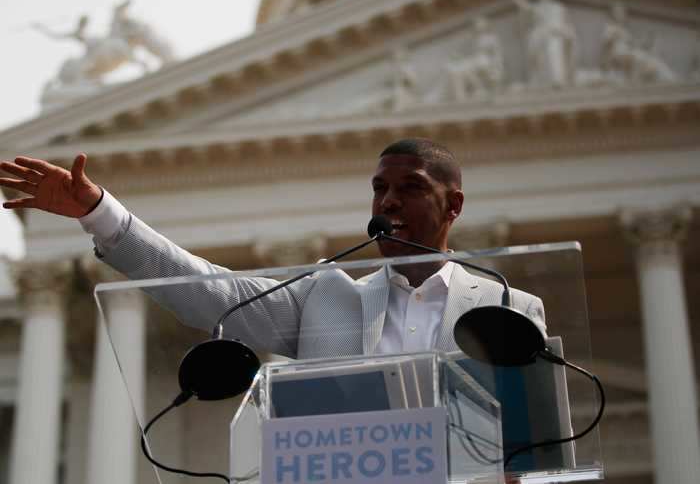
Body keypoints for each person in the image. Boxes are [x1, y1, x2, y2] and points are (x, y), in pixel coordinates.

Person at [0, 139, 545, 358]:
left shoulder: (509, 310)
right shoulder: (324, 297)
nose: (389, 203)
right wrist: (100, 212)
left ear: (453, 207)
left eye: (410, 189)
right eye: (380, 189)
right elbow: (209, 292)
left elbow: (540, 447)